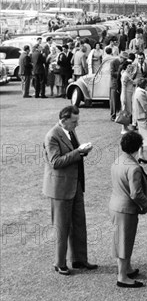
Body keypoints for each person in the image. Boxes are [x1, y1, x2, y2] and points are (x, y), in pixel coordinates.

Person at [43, 105, 97, 275]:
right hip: (60, 188)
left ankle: (79, 259)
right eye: (74, 121)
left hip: (75, 185)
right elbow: (56, 162)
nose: (77, 124)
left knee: (79, 224)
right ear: (63, 120)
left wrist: (83, 151)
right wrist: (78, 152)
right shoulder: (52, 136)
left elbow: (74, 152)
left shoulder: (70, 131)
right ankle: (59, 263)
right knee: (62, 226)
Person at [109, 131, 147, 288]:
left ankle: (127, 269)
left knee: (122, 240)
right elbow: (136, 193)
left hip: (116, 205)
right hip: (126, 209)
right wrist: (145, 205)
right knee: (124, 242)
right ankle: (122, 276)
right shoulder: (134, 168)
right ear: (138, 147)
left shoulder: (118, 160)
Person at [132, 78, 147, 166]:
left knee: (142, 138)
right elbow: (146, 107)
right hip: (144, 118)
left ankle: (141, 156)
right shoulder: (141, 94)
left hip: (139, 118)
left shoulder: (137, 92)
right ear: (145, 85)